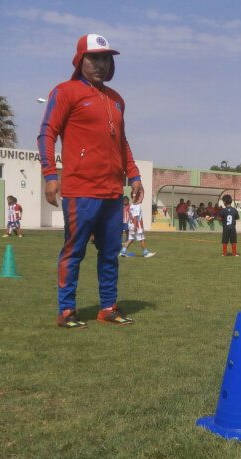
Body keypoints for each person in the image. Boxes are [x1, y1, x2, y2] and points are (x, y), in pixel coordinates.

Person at [38, 33, 143, 328]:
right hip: (80, 190)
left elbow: (122, 143)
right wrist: (50, 175)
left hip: (112, 192)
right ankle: (67, 311)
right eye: (93, 58)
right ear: (79, 60)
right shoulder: (65, 92)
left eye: (105, 59)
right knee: (74, 251)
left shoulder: (117, 100)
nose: (100, 64)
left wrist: (133, 175)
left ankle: (107, 307)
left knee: (110, 254)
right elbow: (47, 133)